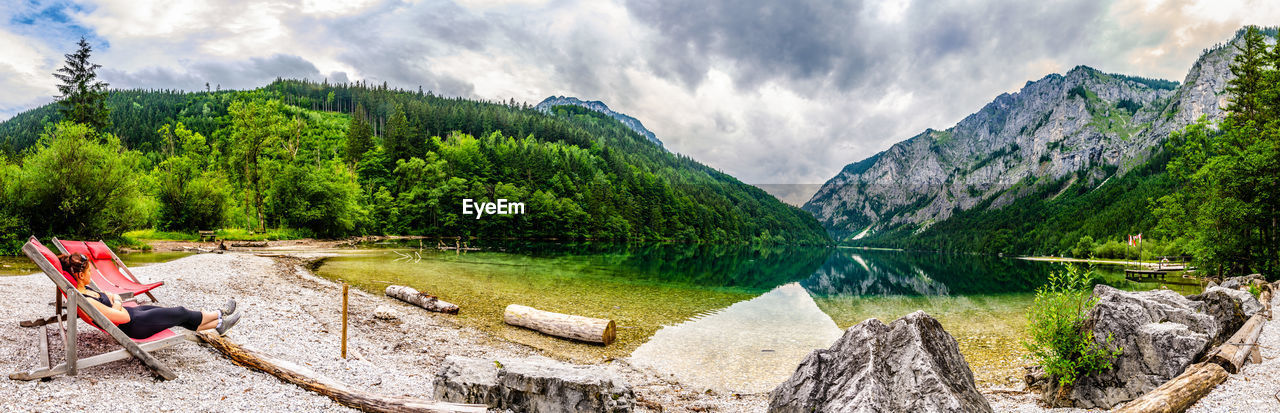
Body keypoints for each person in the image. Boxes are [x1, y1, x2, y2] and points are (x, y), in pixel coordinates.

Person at [57, 253, 241, 338]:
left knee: (174, 316)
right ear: (80, 275)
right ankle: (219, 313)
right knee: (180, 312)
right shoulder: (86, 300)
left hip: (134, 316)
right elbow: (119, 315)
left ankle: (219, 324)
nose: (92, 274)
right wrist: (118, 300)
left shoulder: (84, 291)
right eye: (89, 271)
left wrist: (113, 299)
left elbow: (107, 294)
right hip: (135, 326)